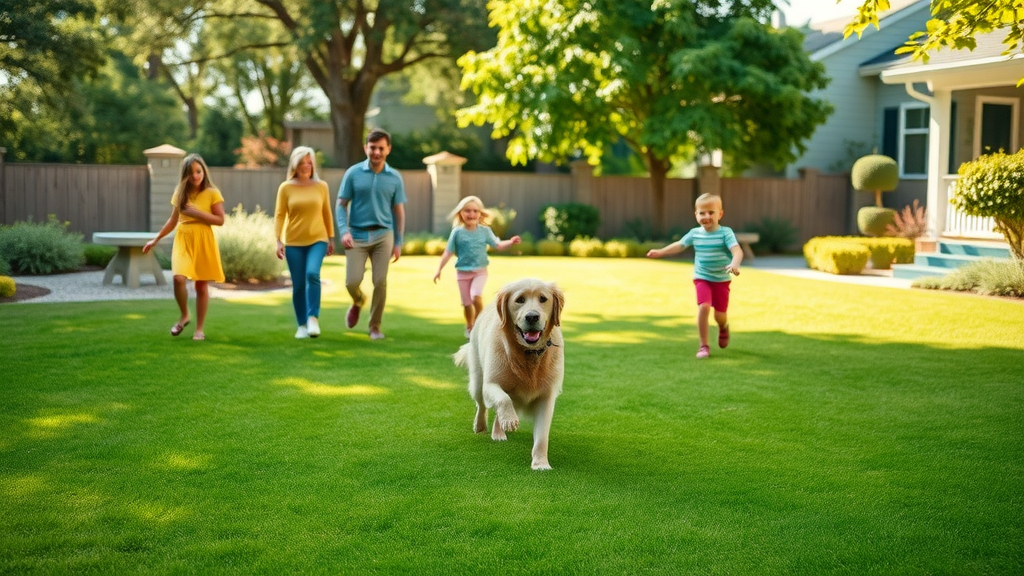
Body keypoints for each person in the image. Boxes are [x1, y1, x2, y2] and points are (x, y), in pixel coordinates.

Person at [646, 193, 743, 359]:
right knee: (704, 307)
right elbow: (680, 245)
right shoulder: (695, 233)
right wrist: (661, 252)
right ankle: (704, 346)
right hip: (702, 277)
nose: (706, 216)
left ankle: (723, 327)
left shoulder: (725, 233)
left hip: (721, 280)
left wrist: (734, 264)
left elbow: (737, 251)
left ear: (720, 214)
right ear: (696, 215)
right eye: (702, 213)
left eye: (711, 212)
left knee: (720, 316)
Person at [143, 154, 225, 341]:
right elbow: (173, 221)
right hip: (183, 238)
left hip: (203, 239)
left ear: (204, 171)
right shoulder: (180, 193)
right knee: (178, 278)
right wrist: (156, 239)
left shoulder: (212, 192)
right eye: (191, 172)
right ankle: (185, 315)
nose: (195, 176)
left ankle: (199, 329)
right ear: (185, 175)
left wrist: (197, 213)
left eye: (198, 171)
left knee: (201, 285)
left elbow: (220, 220)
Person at [335, 128, 407, 340]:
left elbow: (399, 211)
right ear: (365, 147)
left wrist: (398, 242)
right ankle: (358, 300)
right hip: (356, 235)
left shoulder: (394, 177)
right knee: (352, 281)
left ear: (388, 149)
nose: (376, 152)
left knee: (380, 281)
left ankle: (375, 326)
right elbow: (341, 204)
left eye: (381, 148)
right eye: (372, 147)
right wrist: (344, 231)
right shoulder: (353, 173)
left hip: (383, 234)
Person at [433, 196, 521, 338]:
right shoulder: (457, 232)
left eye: (475, 211)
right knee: (467, 304)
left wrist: (510, 242)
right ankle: (469, 326)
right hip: (462, 274)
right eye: (467, 211)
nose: (471, 214)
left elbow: (497, 245)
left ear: (480, 214)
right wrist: (438, 270)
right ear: (460, 213)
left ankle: (479, 324)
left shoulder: (484, 231)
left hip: (480, 272)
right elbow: (448, 252)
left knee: (476, 296)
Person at [275, 146, 335, 339]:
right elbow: (280, 215)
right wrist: (278, 240)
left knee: (312, 274)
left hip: (318, 239)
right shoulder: (286, 187)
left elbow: (326, 212)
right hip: (293, 242)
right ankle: (301, 325)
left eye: (310, 162)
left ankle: (312, 318)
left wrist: (331, 237)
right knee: (299, 285)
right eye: (303, 162)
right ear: (295, 164)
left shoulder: (321, 186)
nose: (307, 166)